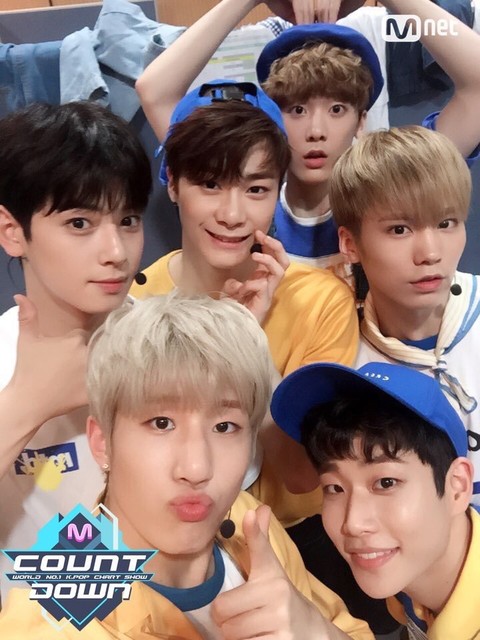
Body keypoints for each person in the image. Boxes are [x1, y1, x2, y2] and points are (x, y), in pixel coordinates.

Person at [0, 292, 373, 640]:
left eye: (224, 427)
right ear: (102, 443)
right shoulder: (49, 620)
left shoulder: (250, 526)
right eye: (161, 423)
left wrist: (319, 632)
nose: (196, 468)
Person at [137, 0, 480, 280]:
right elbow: (154, 91)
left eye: (336, 109)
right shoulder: (246, 202)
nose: (316, 130)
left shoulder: (392, 190)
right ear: (274, 117)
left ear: (361, 121)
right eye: (297, 109)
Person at [0, 101, 152, 598]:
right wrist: (26, 404)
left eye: (128, 220)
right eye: (80, 224)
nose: (116, 252)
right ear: (12, 232)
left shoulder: (169, 344)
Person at [271, 360, 479, 639]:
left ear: (457, 487)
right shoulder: (414, 574)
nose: (353, 523)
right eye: (334, 487)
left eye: (386, 483)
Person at [330, 124, 480, 506]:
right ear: (350, 244)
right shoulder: (341, 358)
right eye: (400, 229)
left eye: (446, 223)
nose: (430, 253)